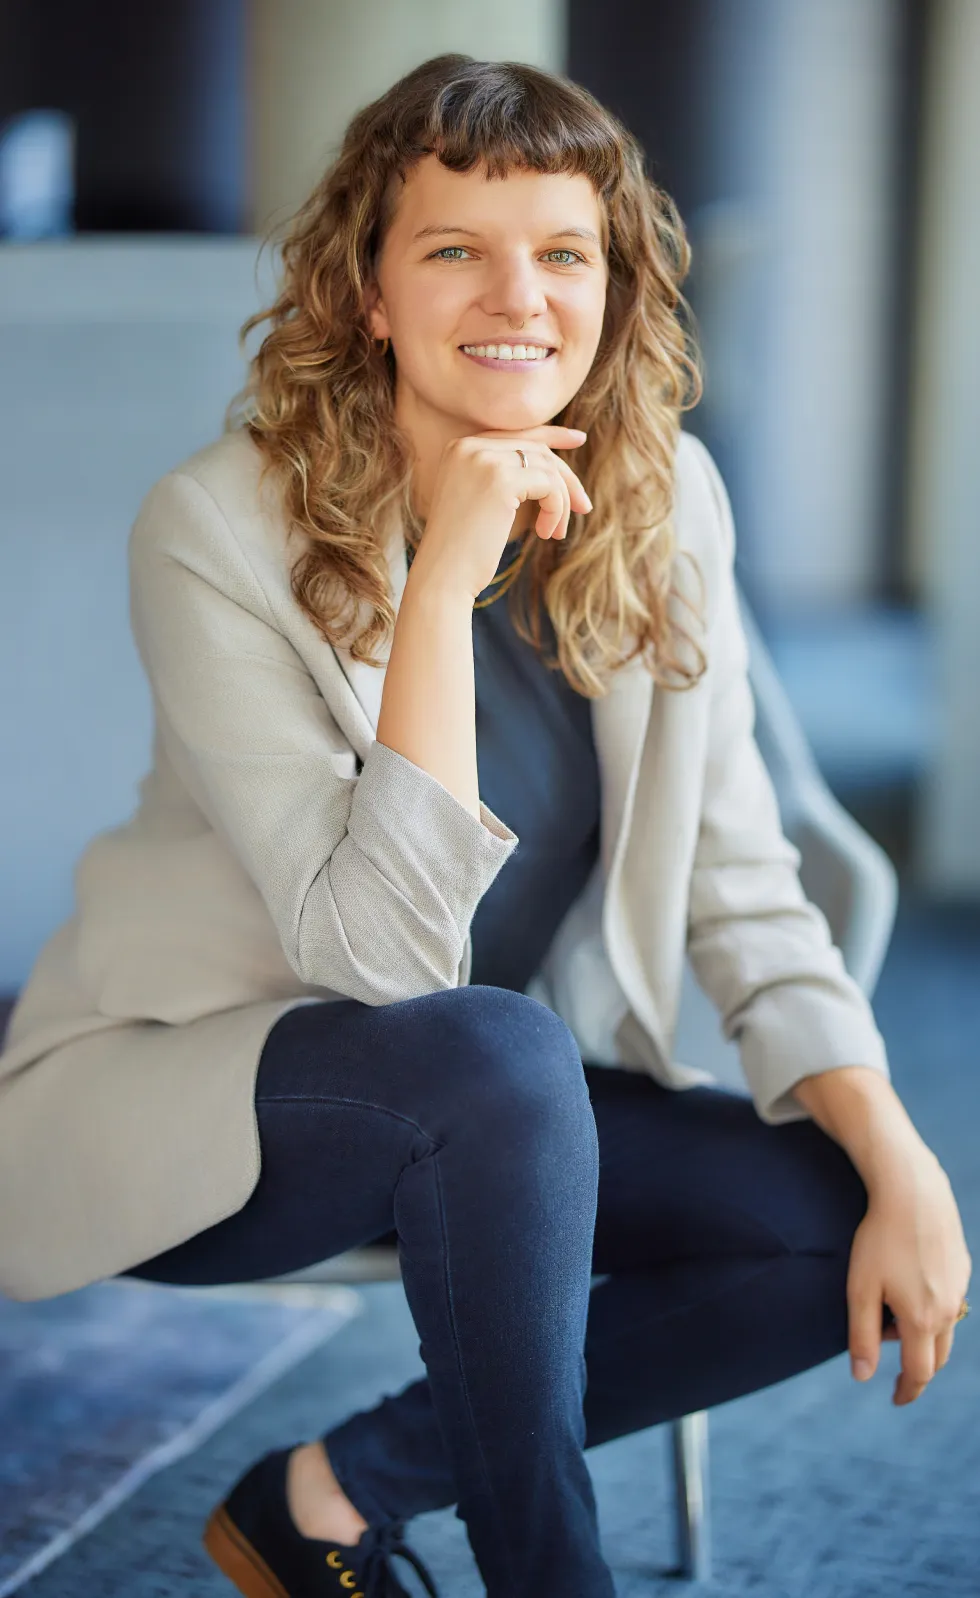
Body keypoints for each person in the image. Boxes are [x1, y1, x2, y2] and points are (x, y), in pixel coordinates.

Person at [0, 52, 971, 1598]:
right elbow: (386, 967)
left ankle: (332, 1491)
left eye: (565, 253)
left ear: (615, 285)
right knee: (495, 1050)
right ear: (370, 292)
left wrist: (901, 1148)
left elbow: (742, 884)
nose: (520, 296)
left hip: (494, 1115)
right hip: (212, 1106)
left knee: (827, 1213)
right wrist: (444, 573)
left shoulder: (668, 501)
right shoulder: (218, 528)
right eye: (456, 247)